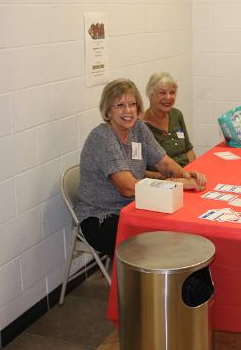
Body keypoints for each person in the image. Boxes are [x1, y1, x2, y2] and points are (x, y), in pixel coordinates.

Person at [74, 78, 206, 257]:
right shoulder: (103, 138)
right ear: (108, 111)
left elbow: (163, 162)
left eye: (132, 104)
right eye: (120, 105)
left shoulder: (138, 128)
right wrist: (177, 184)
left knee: (182, 229)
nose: (128, 110)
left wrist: (186, 176)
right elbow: (127, 188)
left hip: (135, 206)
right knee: (163, 245)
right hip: (102, 217)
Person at [142, 72, 196, 179]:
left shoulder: (176, 114)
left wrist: (193, 172)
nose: (168, 97)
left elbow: (189, 150)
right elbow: (139, 169)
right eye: (162, 93)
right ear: (150, 95)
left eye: (172, 93)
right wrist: (159, 177)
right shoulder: (141, 126)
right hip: (165, 180)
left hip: (187, 174)